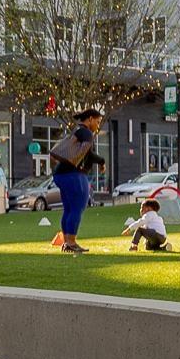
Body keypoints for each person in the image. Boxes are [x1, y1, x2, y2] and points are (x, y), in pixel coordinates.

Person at [48, 108, 106, 254]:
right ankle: (71, 243)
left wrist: (101, 161)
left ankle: (67, 242)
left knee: (68, 209)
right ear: (90, 119)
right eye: (97, 122)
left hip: (60, 174)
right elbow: (86, 153)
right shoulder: (87, 133)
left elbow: (88, 154)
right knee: (77, 208)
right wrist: (100, 161)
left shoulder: (76, 131)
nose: (98, 126)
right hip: (74, 175)